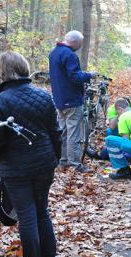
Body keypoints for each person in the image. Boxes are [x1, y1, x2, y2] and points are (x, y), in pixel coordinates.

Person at [0, 51, 60, 257]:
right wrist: (54, 158)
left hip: (16, 168)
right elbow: (55, 132)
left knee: (26, 214)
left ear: (3, 72)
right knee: (42, 211)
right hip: (44, 163)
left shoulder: (0, 101)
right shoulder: (44, 96)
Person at [49, 30, 97, 173]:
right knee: (74, 133)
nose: (81, 47)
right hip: (72, 100)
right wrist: (89, 75)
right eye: (80, 44)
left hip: (59, 99)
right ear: (75, 42)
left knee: (63, 131)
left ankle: (62, 160)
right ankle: (75, 164)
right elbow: (75, 77)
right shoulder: (69, 55)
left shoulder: (54, 53)